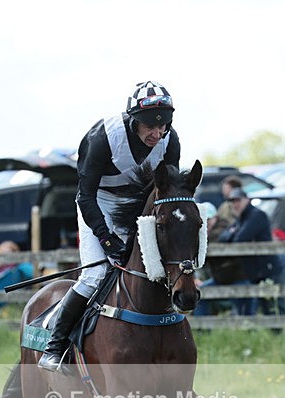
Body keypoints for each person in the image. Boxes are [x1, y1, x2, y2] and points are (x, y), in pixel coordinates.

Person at [38, 80, 180, 371]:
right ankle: (54, 345)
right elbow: (84, 195)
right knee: (96, 275)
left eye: (163, 126)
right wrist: (105, 238)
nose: (157, 134)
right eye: (150, 127)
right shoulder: (103, 137)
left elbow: (169, 191)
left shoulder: (170, 140)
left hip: (138, 208)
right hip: (98, 206)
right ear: (133, 121)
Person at [216, 188, 283, 316]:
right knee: (266, 308)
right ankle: (276, 335)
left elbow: (240, 239)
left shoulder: (256, 215)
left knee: (276, 308)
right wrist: (235, 233)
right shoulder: (242, 218)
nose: (235, 204)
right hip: (256, 271)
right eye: (233, 201)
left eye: (238, 200)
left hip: (268, 269)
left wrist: (234, 233)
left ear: (247, 200)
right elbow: (222, 238)